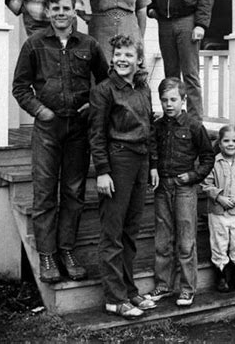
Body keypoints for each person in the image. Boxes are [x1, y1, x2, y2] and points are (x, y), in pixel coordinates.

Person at [12, 0, 108, 283]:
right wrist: (40, 111)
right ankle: (47, 255)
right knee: (44, 193)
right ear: (48, 13)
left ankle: (67, 250)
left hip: (78, 129)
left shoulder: (89, 44)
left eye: (66, 8)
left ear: (74, 10)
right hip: (48, 129)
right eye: (55, 10)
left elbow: (105, 83)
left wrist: (91, 104)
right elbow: (20, 87)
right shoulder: (34, 45)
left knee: (73, 192)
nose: (61, 14)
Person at [89, 35, 158, 319]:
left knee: (130, 231)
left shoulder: (143, 88)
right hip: (118, 161)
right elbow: (96, 134)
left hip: (141, 162)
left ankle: (129, 290)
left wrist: (152, 164)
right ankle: (114, 298)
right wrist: (103, 171)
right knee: (112, 232)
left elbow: (149, 127)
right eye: (117, 53)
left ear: (139, 60)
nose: (121, 59)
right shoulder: (104, 90)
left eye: (128, 55)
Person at [144, 77, 214, 307]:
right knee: (163, 240)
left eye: (173, 99)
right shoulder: (158, 126)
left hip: (184, 188)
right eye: (164, 100)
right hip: (162, 187)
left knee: (186, 240)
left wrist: (193, 176)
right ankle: (163, 285)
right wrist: (153, 168)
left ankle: (186, 288)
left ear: (183, 100)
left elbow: (207, 157)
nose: (168, 104)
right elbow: (152, 150)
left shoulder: (194, 126)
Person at [201, 125, 235, 292]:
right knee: (219, 242)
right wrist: (219, 197)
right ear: (219, 143)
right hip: (218, 212)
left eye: (234, 141)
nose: (230, 144)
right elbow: (206, 183)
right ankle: (221, 276)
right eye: (226, 141)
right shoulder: (214, 162)